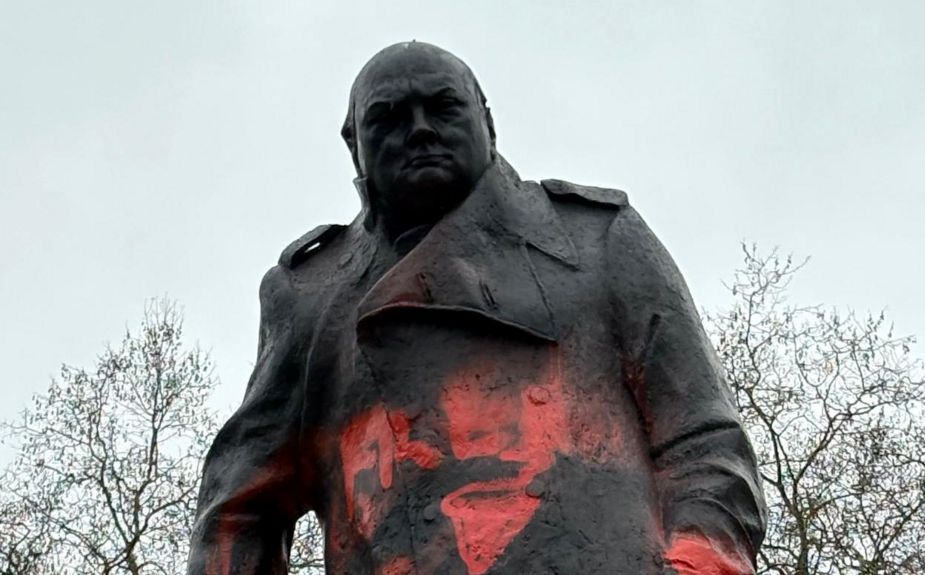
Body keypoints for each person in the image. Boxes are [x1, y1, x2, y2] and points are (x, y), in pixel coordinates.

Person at [188, 41, 765, 575]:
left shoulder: (597, 239)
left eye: (442, 108)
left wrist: (694, 564)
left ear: (486, 119)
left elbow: (705, 443)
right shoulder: (310, 296)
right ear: (352, 144)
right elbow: (240, 509)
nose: (419, 131)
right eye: (388, 117)